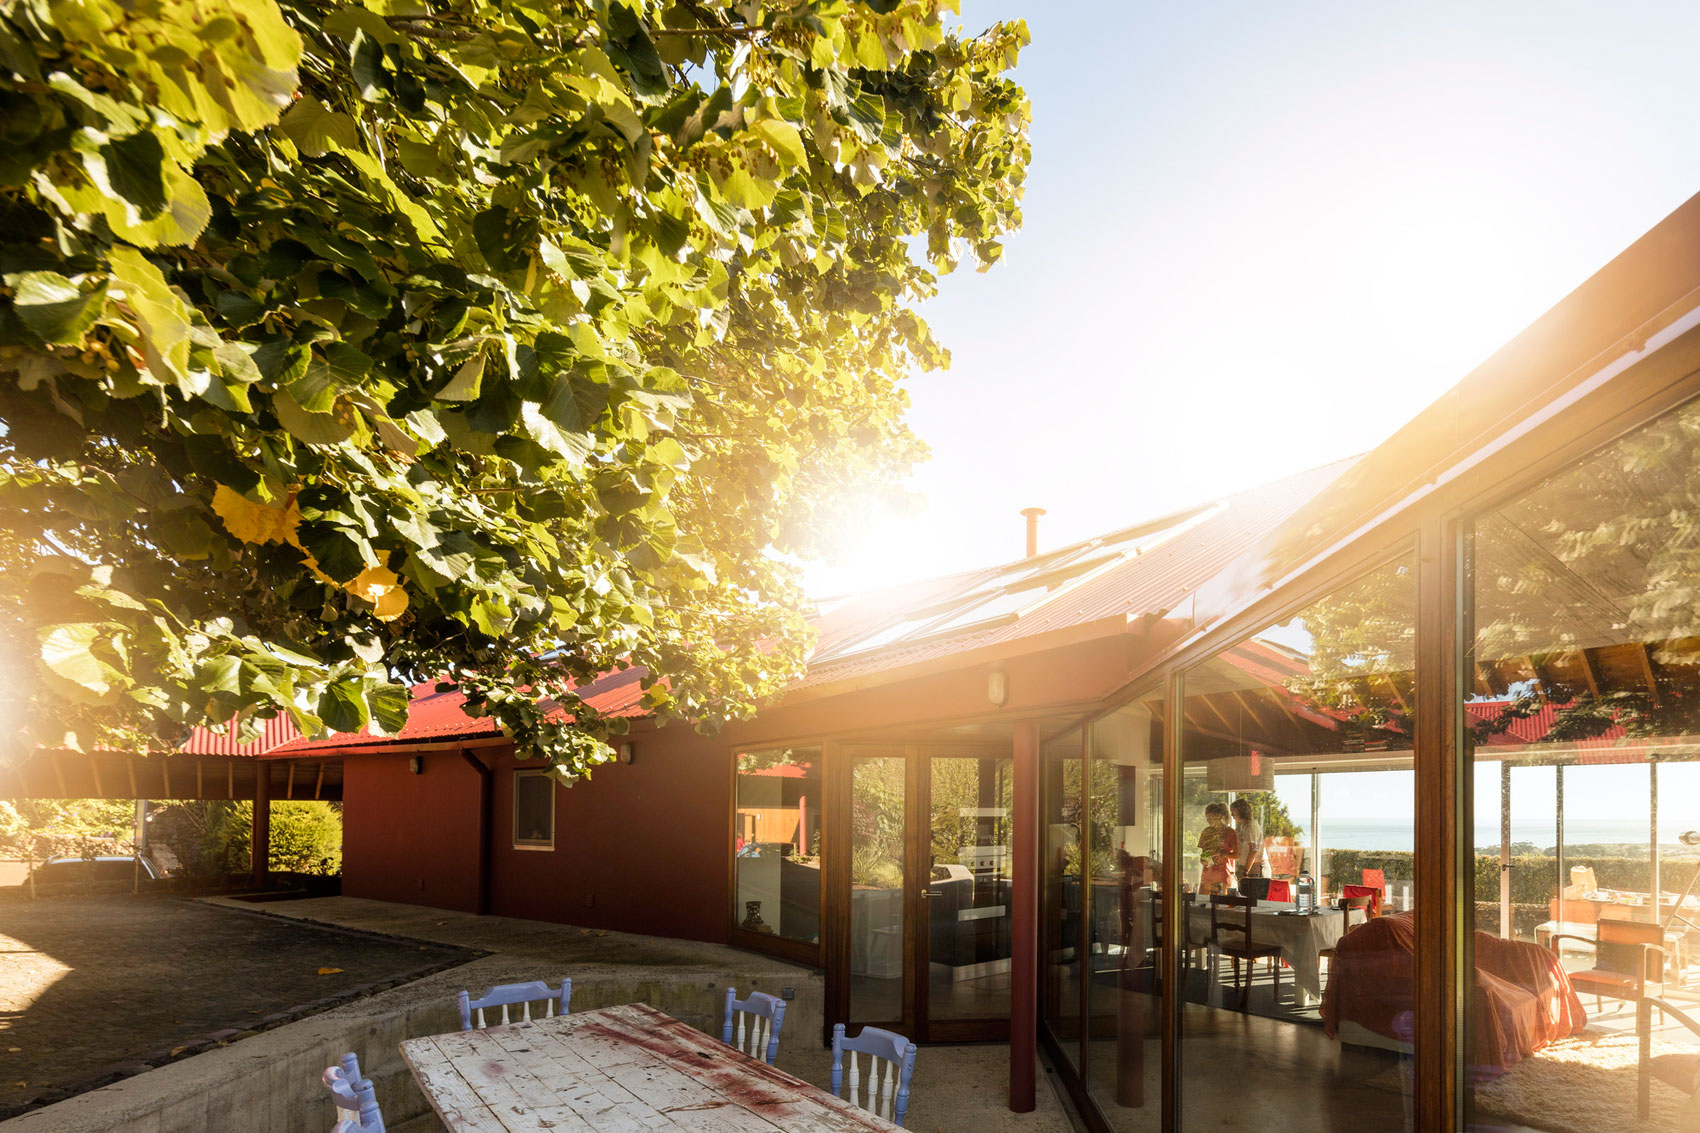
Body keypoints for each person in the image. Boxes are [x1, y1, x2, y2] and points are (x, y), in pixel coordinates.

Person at [1196, 802, 1238, 895]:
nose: (1209, 821)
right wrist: (1203, 860)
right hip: (1207, 874)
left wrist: (1221, 853)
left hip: (1222, 875)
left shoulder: (1230, 832)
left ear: (1220, 817)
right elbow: (1203, 852)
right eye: (1208, 819)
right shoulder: (1206, 832)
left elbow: (1237, 855)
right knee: (1203, 904)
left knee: (1220, 904)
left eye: (1212, 818)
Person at [1231, 798, 1265, 879]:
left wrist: (1246, 871)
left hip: (1253, 867)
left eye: (1234, 812)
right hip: (1246, 866)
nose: (1232, 815)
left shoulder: (1251, 826)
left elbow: (1253, 850)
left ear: (1241, 811)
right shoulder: (1243, 826)